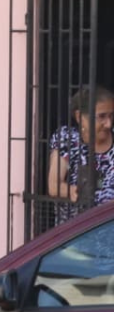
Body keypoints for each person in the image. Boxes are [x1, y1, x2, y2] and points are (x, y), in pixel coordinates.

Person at [48, 86, 114, 223]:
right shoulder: (68, 139)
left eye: (111, 115)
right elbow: (54, 185)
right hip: (77, 232)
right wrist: (71, 191)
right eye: (101, 116)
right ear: (79, 116)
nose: (108, 124)